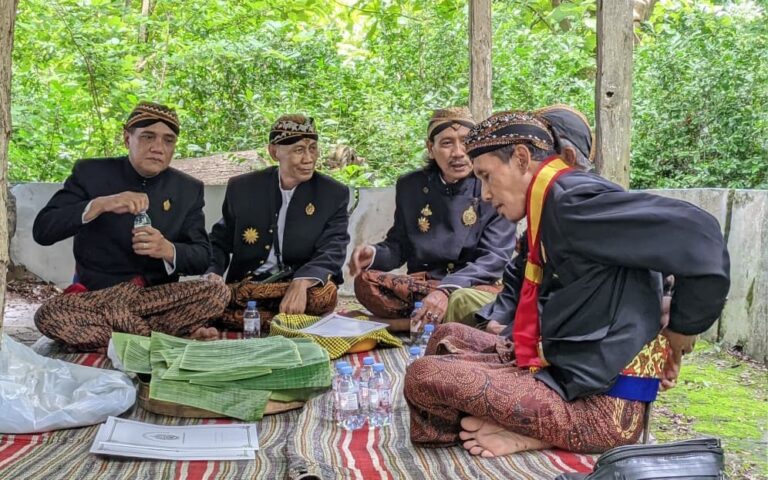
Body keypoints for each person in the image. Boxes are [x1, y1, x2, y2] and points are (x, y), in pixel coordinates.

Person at [403, 110, 730, 456]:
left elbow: (701, 235)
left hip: (605, 408)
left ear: (521, 158)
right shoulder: (554, 202)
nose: (484, 194)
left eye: (486, 176)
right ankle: (527, 424)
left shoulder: (572, 202)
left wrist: (682, 328)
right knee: (447, 337)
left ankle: (544, 431)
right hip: (569, 373)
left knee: (423, 377)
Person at [33, 102, 230, 351]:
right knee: (49, 314)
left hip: (154, 299)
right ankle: (161, 337)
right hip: (98, 296)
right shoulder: (91, 173)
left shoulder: (187, 189)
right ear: (127, 138)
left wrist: (168, 249)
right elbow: (43, 230)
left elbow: (202, 256)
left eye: (168, 141)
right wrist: (100, 204)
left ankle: (123, 338)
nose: (158, 148)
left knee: (217, 293)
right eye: (148, 137)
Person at [348, 107, 515, 330]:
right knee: (365, 282)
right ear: (431, 148)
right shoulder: (411, 186)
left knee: (471, 302)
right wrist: (374, 254)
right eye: (447, 143)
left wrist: (447, 289)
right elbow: (400, 245)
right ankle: (435, 322)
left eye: (465, 142)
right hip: (422, 286)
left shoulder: (492, 185)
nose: (458, 152)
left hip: (469, 287)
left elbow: (494, 258)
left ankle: (398, 325)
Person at [447, 104, 596, 332]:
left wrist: (511, 332)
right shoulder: (541, 217)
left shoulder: (586, 209)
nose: (485, 194)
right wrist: (498, 320)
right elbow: (517, 278)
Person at [206, 114, 350, 326]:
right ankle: (284, 322)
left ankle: (247, 320)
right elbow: (219, 240)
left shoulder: (333, 193)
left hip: (301, 287)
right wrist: (213, 273)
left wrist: (302, 282)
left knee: (323, 296)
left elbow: (334, 248)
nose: (309, 158)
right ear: (274, 152)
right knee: (208, 297)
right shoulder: (242, 188)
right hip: (249, 287)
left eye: (313, 148)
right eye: (299, 150)